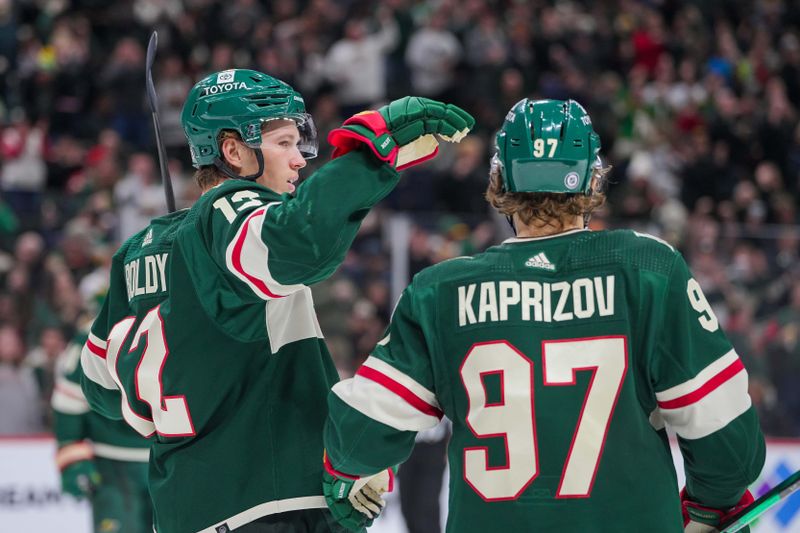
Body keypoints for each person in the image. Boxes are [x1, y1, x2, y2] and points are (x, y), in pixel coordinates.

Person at [322, 99, 766, 532]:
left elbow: (358, 438)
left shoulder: (439, 291)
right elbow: (727, 446)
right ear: (593, 179)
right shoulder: (649, 270)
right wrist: (711, 508)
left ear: (499, 180)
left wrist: (353, 474)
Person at [80, 68, 474, 533]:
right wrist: (372, 152)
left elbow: (100, 387)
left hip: (186, 512)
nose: (299, 161)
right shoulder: (226, 213)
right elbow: (300, 242)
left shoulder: (136, 251)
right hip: (269, 506)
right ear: (232, 151)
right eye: (283, 143)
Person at [52, 329, 153, 533]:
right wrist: (72, 457)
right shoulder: (94, 334)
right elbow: (69, 399)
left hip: (174, 458)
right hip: (113, 464)